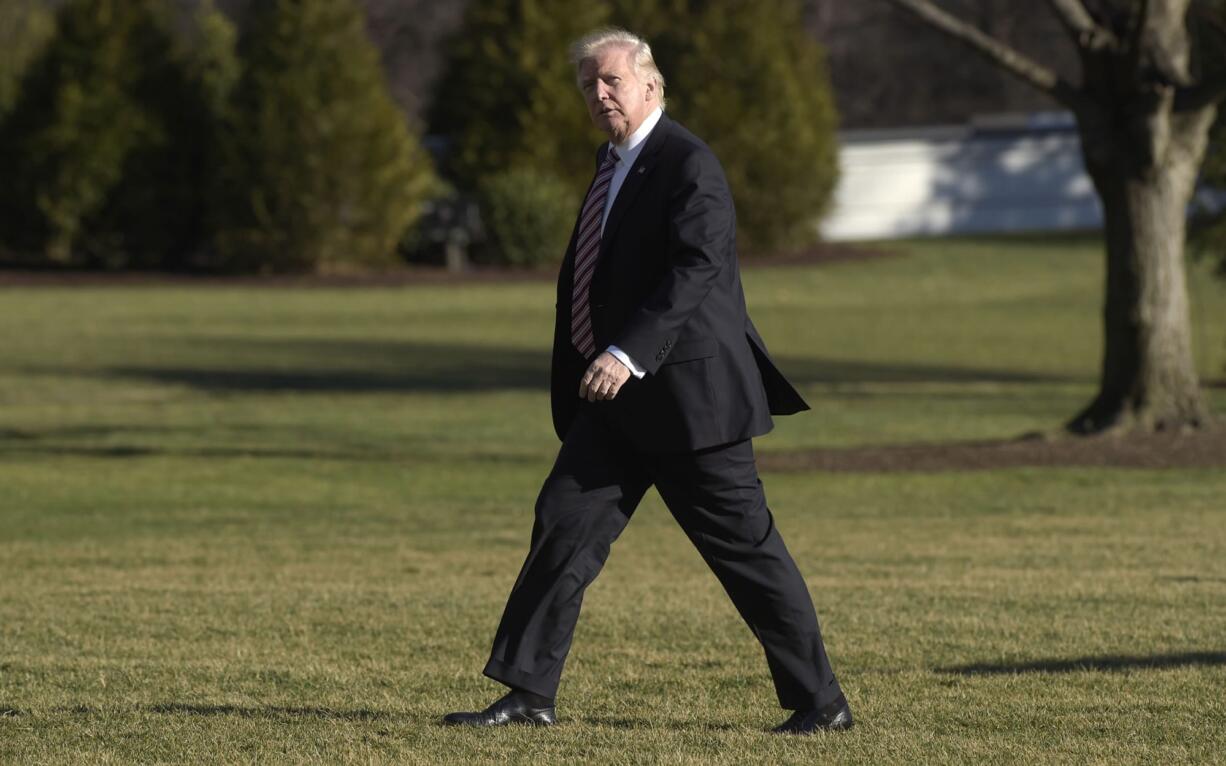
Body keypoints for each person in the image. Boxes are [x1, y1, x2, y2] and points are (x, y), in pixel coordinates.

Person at [443, 27, 851, 735]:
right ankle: (528, 693)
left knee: (748, 558)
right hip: (615, 408)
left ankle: (823, 703)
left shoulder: (689, 164)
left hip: (692, 404)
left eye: (612, 81)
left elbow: (695, 270)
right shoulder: (611, 165)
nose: (600, 95)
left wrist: (626, 353)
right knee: (563, 527)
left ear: (651, 84)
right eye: (589, 85)